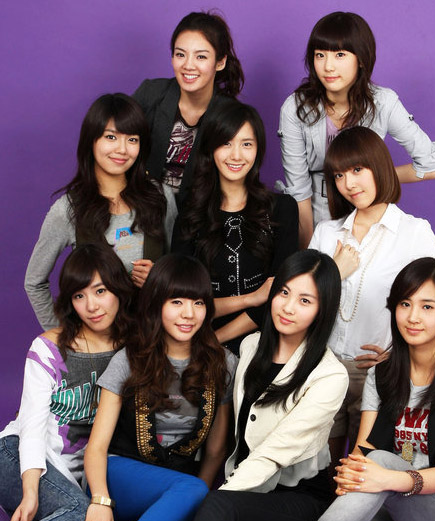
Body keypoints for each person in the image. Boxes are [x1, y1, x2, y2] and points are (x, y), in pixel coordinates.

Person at [240, 258, 435, 521]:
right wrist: (351, 480)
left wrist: (386, 478)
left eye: (427, 307)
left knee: (380, 462)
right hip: (396, 514)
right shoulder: (381, 375)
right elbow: (364, 449)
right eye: (405, 304)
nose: (413, 317)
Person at [15, 255, 238, 521]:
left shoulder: (224, 364)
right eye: (176, 302)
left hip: (173, 487)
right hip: (115, 476)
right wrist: (100, 500)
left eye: (198, 303)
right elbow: (97, 446)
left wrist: (195, 505)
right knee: (193, 491)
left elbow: (217, 450)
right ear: (157, 304)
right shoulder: (129, 358)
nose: (188, 314)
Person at [139, 249, 349, 521]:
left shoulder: (330, 376)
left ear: (322, 309)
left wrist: (219, 495)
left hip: (298, 501)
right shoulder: (251, 347)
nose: (288, 307)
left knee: (218, 511)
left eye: (305, 301)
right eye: (283, 292)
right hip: (248, 499)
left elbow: (274, 453)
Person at [310, 125, 435, 463]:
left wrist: (400, 354)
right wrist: (334, 272)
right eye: (339, 175)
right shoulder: (326, 233)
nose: (349, 183)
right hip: (321, 368)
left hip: (378, 376)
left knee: (365, 473)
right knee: (315, 473)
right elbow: (299, 303)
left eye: (357, 169)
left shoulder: (413, 232)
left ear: (379, 166)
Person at [0, 244, 134, 521]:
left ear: (118, 289)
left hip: (76, 477)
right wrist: (31, 491)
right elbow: (31, 427)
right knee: (80, 515)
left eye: (100, 291)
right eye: (79, 296)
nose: (92, 306)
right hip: (18, 457)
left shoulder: (133, 349)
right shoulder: (49, 347)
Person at [277, 11, 435, 246]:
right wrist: (309, 255)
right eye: (319, 55)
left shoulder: (383, 102)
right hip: (316, 216)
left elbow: (433, 167)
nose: (328, 66)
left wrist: (372, 177)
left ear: (361, 59)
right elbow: (299, 191)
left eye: (340, 55)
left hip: (371, 218)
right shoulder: (295, 108)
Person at [25, 93, 171, 331]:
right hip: (98, 344)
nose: (122, 149)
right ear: (91, 140)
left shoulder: (160, 196)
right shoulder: (68, 209)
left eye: (132, 140)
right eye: (111, 137)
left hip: (154, 339)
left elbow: (181, 266)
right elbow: (34, 282)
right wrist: (62, 337)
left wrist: (160, 278)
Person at [172, 101, 298, 354]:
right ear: (211, 148)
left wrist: (214, 340)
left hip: (263, 348)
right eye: (226, 143)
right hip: (199, 346)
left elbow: (280, 296)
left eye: (246, 144)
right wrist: (250, 298)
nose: (236, 155)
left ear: (258, 150)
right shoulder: (190, 211)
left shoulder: (282, 209)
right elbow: (180, 298)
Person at [133, 11, 244, 212]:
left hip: (200, 217)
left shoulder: (230, 114)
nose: (188, 65)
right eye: (180, 54)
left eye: (200, 56)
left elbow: (237, 182)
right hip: (142, 211)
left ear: (220, 62)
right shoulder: (150, 94)